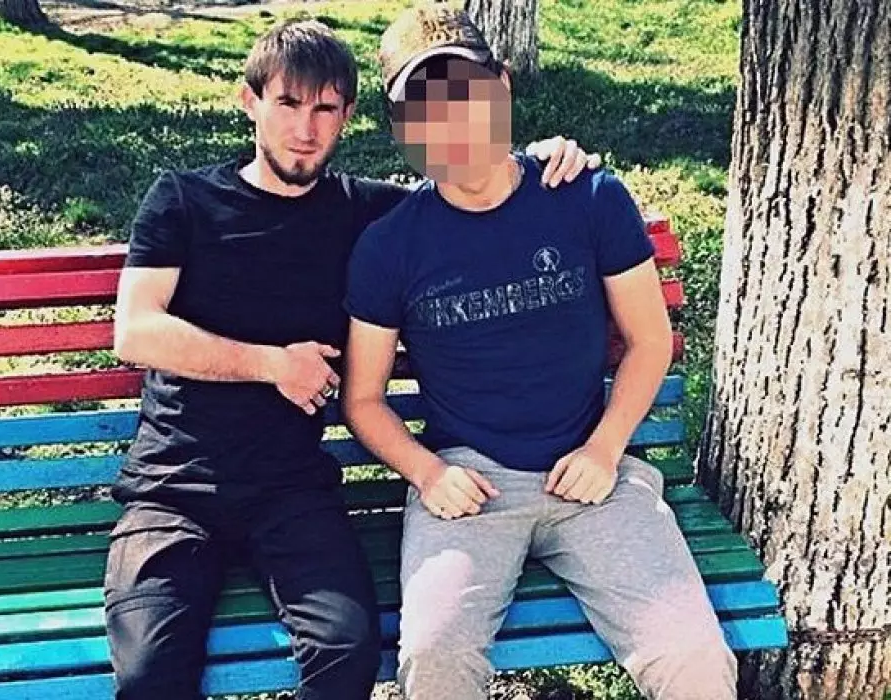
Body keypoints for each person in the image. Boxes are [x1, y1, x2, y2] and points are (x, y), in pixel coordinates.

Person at [104, 17, 598, 700]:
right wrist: (273, 364)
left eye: (326, 109)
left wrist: (543, 160)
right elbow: (136, 331)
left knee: (345, 650)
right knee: (151, 674)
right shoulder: (183, 201)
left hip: (290, 490)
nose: (305, 129)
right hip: (172, 490)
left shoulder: (366, 214)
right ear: (250, 101)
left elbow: (473, 185)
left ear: (347, 117)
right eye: (288, 103)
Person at [342, 7, 738, 700]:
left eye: (463, 96)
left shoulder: (586, 196)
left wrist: (605, 449)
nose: (449, 124)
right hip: (470, 485)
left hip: (592, 475)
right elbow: (364, 398)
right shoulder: (391, 245)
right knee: (434, 659)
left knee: (694, 661)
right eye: (422, 110)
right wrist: (429, 473)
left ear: (501, 85)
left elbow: (650, 340)